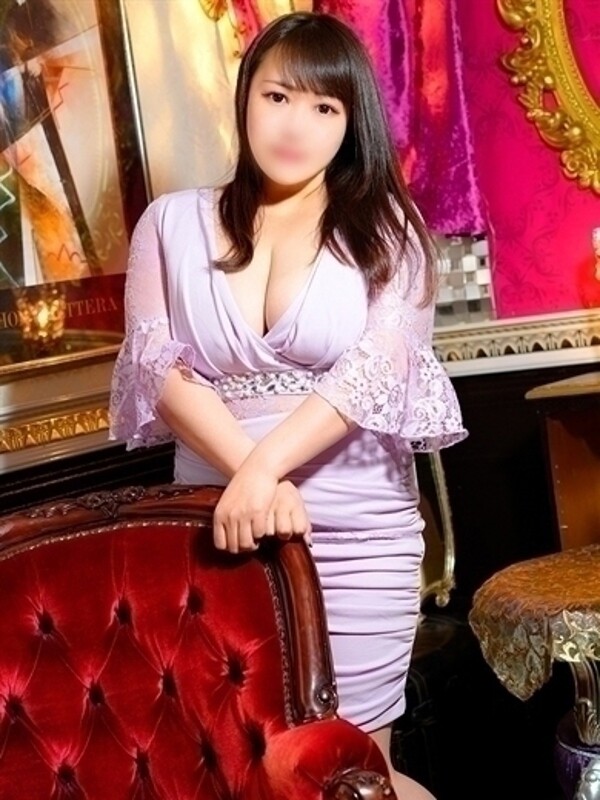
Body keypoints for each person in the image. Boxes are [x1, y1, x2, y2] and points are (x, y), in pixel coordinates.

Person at [109, 11, 467, 799]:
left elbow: (373, 374)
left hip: (358, 533)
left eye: (323, 106)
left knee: (354, 769)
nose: (296, 125)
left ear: (350, 121)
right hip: (222, 523)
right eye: (277, 97)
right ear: (245, 97)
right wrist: (253, 482)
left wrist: (262, 469)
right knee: (240, 770)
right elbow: (158, 368)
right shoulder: (170, 224)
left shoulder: (389, 230)